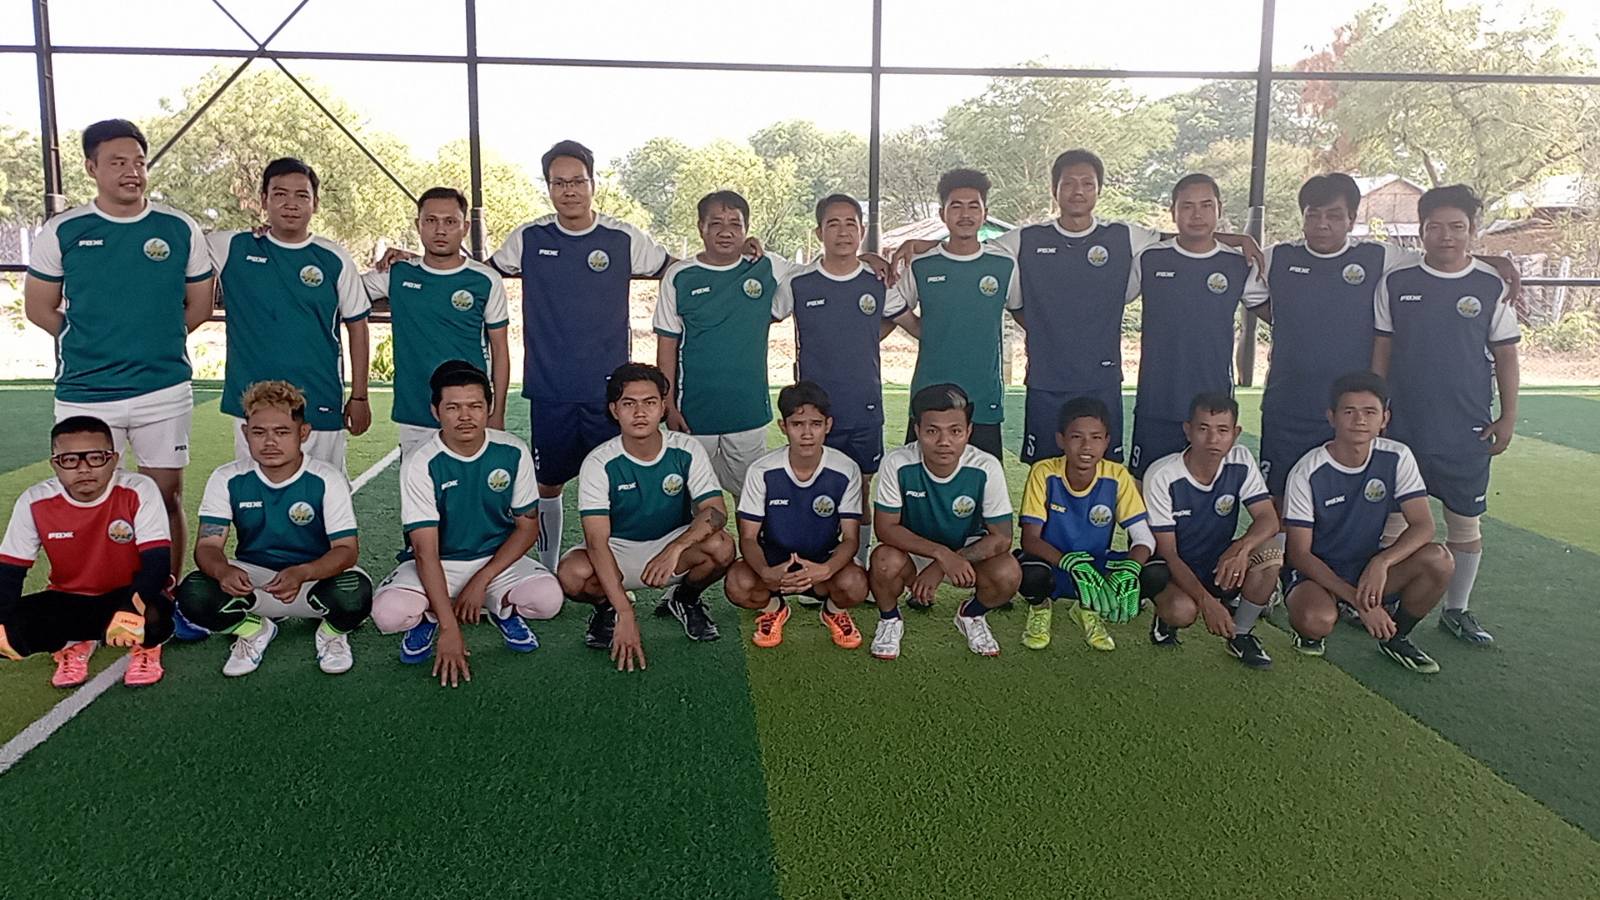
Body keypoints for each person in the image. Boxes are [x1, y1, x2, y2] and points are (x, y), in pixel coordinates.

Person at [892, 149, 1263, 464]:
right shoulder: (1025, 240)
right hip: (1046, 379)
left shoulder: (1125, 236)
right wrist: (921, 245)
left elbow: (1184, 235)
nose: (1078, 191)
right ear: (1054, 190)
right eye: (1069, 183)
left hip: (1101, 380)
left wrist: (1237, 239)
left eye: (1087, 183)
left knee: (1104, 471)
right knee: (1045, 470)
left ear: (1099, 189)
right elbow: (967, 245)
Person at [23, 119, 214, 584]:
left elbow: (200, 306)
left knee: (164, 497)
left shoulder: (178, 227)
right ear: (92, 168)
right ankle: (91, 596)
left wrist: (156, 340)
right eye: (117, 162)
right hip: (86, 392)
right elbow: (38, 308)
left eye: (139, 162)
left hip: (163, 390)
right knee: (89, 497)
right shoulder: (64, 230)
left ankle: (163, 598)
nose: (132, 172)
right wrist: (90, 342)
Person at [488, 141, 671, 572]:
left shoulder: (623, 237)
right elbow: (478, 273)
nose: (569, 190)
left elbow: (677, 269)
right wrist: (416, 260)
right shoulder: (529, 238)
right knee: (547, 484)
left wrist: (733, 255)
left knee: (614, 484)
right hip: (550, 390)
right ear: (549, 187)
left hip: (609, 395)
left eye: (577, 181)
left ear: (593, 183)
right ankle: (549, 567)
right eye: (559, 183)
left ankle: (617, 572)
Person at [1373, 185, 1519, 646]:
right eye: (1435, 227)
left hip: (1466, 426)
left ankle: (1457, 610)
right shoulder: (1397, 281)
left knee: (1465, 522)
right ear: (1421, 231)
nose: (1446, 236)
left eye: (1457, 227)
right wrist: (1377, 407)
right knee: (1394, 518)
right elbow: (1382, 348)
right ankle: (1381, 601)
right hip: (1404, 424)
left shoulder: (1490, 284)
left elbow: (1507, 355)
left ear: (1472, 230)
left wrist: (1509, 416)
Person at [370, 362, 562, 688]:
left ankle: (501, 609)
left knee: (548, 599)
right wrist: (449, 628)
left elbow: (527, 527)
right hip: (439, 562)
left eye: (475, 406)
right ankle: (431, 616)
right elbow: (424, 551)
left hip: (496, 561)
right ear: (435, 411)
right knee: (389, 614)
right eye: (453, 407)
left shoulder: (512, 451)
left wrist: (481, 580)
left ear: (489, 408)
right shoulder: (421, 462)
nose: (465, 416)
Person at [175, 381, 372, 677]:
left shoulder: (326, 479)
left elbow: (346, 550)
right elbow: (207, 547)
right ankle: (254, 630)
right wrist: (223, 571)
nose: (269, 442)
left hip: (312, 580)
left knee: (356, 592)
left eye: (281, 432)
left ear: (303, 433)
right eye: (259, 432)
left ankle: (331, 634)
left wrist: (303, 572)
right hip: (255, 584)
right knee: (193, 591)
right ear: (246, 433)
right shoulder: (227, 478)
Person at [557, 363, 735, 670]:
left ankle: (685, 598)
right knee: (572, 573)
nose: (640, 412)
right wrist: (625, 612)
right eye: (629, 403)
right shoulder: (599, 462)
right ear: (614, 410)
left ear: (663, 407)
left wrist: (675, 547)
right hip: (618, 550)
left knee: (722, 546)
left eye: (649, 402)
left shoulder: (686, 448)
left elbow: (716, 512)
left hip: (673, 547)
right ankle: (607, 610)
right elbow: (596, 542)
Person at [1282, 372, 1454, 673]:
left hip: (1366, 565)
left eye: (1370, 412)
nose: (1360, 420)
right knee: (1315, 621)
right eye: (1349, 411)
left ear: (1384, 418)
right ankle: (1320, 621)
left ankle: (1395, 637)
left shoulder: (1397, 456)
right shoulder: (1306, 471)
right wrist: (1360, 602)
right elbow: (1299, 554)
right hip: (1317, 572)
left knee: (1439, 560)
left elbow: (1423, 526)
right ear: (1331, 417)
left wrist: (1381, 563)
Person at [208, 157, 371, 470]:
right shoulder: (232, 247)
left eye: (302, 195)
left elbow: (358, 327)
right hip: (251, 404)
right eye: (280, 194)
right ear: (264, 200)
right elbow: (178, 244)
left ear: (315, 203)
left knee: (325, 488)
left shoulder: (334, 258)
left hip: (318, 397)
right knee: (256, 490)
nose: (291, 204)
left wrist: (360, 396)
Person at [772, 193, 907, 567]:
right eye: (833, 224)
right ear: (819, 232)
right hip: (812, 411)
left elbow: (903, 319)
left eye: (851, 224)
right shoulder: (798, 282)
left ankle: (856, 565)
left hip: (864, 405)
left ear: (862, 231)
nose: (843, 232)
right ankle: (807, 560)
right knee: (810, 482)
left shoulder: (878, 281)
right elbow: (761, 315)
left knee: (859, 486)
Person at [0, 416, 172, 688]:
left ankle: (146, 648)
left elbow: (157, 562)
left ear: (113, 460)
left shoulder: (138, 490)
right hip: (68, 598)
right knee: (7, 631)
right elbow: (9, 572)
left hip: (125, 595)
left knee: (156, 615)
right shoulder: (35, 501)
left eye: (95, 458)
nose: (83, 469)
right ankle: (74, 643)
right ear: (54, 464)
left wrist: (131, 608)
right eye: (70, 460)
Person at [1127, 173, 1268, 479]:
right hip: (1157, 398)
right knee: (1145, 482)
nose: (1197, 214)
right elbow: (1113, 301)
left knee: (1207, 484)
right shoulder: (1149, 259)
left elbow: (1274, 313)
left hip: (1212, 403)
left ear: (1219, 209)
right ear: (1173, 212)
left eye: (1206, 205)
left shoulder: (1238, 264)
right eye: (1187, 206)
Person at [867, 384, 1020, 660]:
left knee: (1008, 573)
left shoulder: (985, 466)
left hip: (966, 556)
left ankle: (971, 615)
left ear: (969, 431)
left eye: (955, 431)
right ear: (917, 430)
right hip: (913, 553)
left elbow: (1002, 538)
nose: (944, 441)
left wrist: (946, 562)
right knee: (883, 560)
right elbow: (885, 529)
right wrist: (940, 554)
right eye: (932, 431)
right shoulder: (898, 463)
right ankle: (889, 619)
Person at [655, 190, 788, 496]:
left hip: (748, 412)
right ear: (700, 227)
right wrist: (668, 404)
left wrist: (868, 258)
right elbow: (667, 345)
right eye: (716, 223)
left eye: (735, 224)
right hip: (693, 413)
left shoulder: (767, 267)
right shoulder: (680, 275)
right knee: (693, 498)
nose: (726, 231)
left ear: (746, 229)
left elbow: (824, 268)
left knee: (750, 498)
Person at [363, 187, 510, 459]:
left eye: (450, 221)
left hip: (469, 411)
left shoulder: (485, 279)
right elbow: (339, 290)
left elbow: (500, 349)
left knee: (471, 485)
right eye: (431, 220)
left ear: (465, 227)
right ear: (417, 225)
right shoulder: (397, 274)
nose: (440, 230)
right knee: (417, 485)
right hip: (414, 411)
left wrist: (497, 411)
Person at [886, 169, 1019, 460]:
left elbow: (1022, 310)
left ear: (985, 213)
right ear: (942, 213)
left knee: (984, 482)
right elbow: (892, 302)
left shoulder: (1004, 263)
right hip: (928, 397)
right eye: (956, 206)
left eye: (974, 206)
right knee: (919, 481)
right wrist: (922, 329)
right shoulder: (921, 264)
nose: (965, 214)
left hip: (983, 398)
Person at [725, 382, 869, 650]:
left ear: (828, 425)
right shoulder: (762, 471)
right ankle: (774, 609)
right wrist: (766, 571)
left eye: (815, 424)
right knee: (737, 584)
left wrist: (826, 569)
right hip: (774, 562)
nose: (807, 433)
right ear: (783, 427)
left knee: (856, 585)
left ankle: (834, 611)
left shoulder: (845, 469)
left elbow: (850, 538)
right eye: (797, 424)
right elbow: (748, 537)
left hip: (822, 561)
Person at [1141, 393, 1280, 669]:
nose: (1213, 439)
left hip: (1218, 560)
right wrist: (1206, 602)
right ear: (1188, 430)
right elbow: (1168, 552)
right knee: (1182, 611)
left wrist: (1241, 548)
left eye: (1222, 430)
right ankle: (1166, 617)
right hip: (1172, 566)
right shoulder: (1162, 475)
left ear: (1235, 433)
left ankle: (1241, 635)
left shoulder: (1240, 460)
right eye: (1203, 428)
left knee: (1270, 551)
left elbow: (1269, 519)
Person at [1015, 397, 1158, 653]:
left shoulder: (1116, 475)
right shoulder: (1044, 472)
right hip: (1054, 562)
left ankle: (1088, 608)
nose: (1086, 446)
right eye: (1076, 437)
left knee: (1156, 571)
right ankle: (1040, 608)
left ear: (1107, 441)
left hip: (1095, 564)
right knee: (1028, 574)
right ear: (1061, 440)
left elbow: (1144, 538)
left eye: (1096, 437)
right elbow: (1030, 540)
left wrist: (1130, 570)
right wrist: (1070, 563)